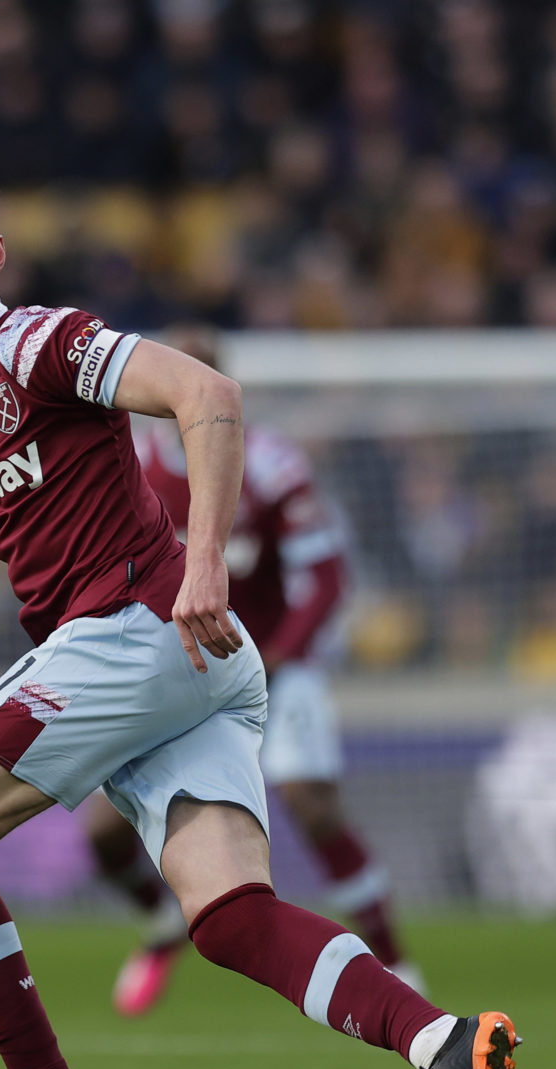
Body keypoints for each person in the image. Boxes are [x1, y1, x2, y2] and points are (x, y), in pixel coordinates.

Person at [0, 161, 518, 1069]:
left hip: (138, 627)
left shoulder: (40, 343)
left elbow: (206, 393)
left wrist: (209, 557)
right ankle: (444, 1039)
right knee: (227, 917)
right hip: (178, 661)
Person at [95, 329, 424, 1018]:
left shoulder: (270, 463)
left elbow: (328, 574)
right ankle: (161, 925)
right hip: (168, 666)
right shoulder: (122, 464)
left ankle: (393, 958)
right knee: (99, 829)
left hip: (272, 660)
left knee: (310, 801)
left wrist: (277, 653)